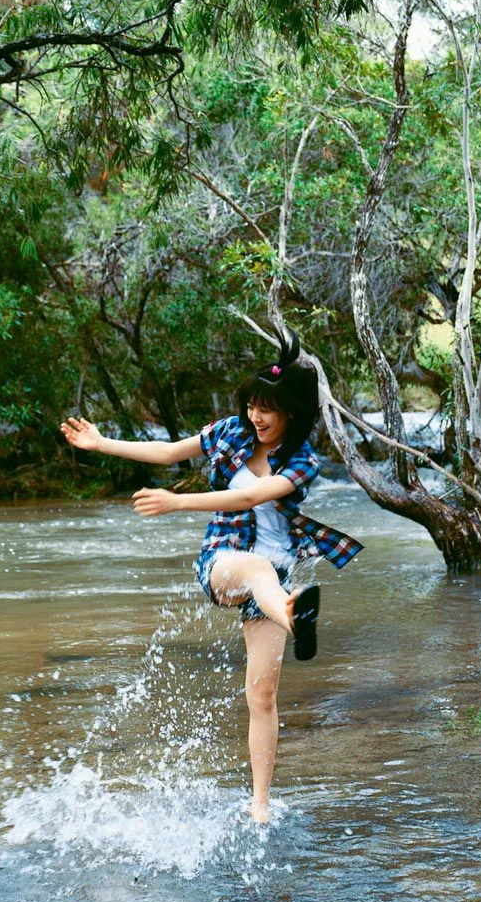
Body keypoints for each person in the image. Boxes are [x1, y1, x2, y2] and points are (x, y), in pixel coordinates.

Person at [59, 327, 363, 824]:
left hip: (276, 575)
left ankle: (260, 807)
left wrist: (180, 501)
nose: (256, 417)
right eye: (252, 406)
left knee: (262, 696)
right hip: (224, 561)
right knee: (258, 569)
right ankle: (292, 613)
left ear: (292, 412)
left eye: (267, 409)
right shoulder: (230, 432)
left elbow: (248, 497)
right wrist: (101, 443)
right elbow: (169, 453)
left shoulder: (304, 461)